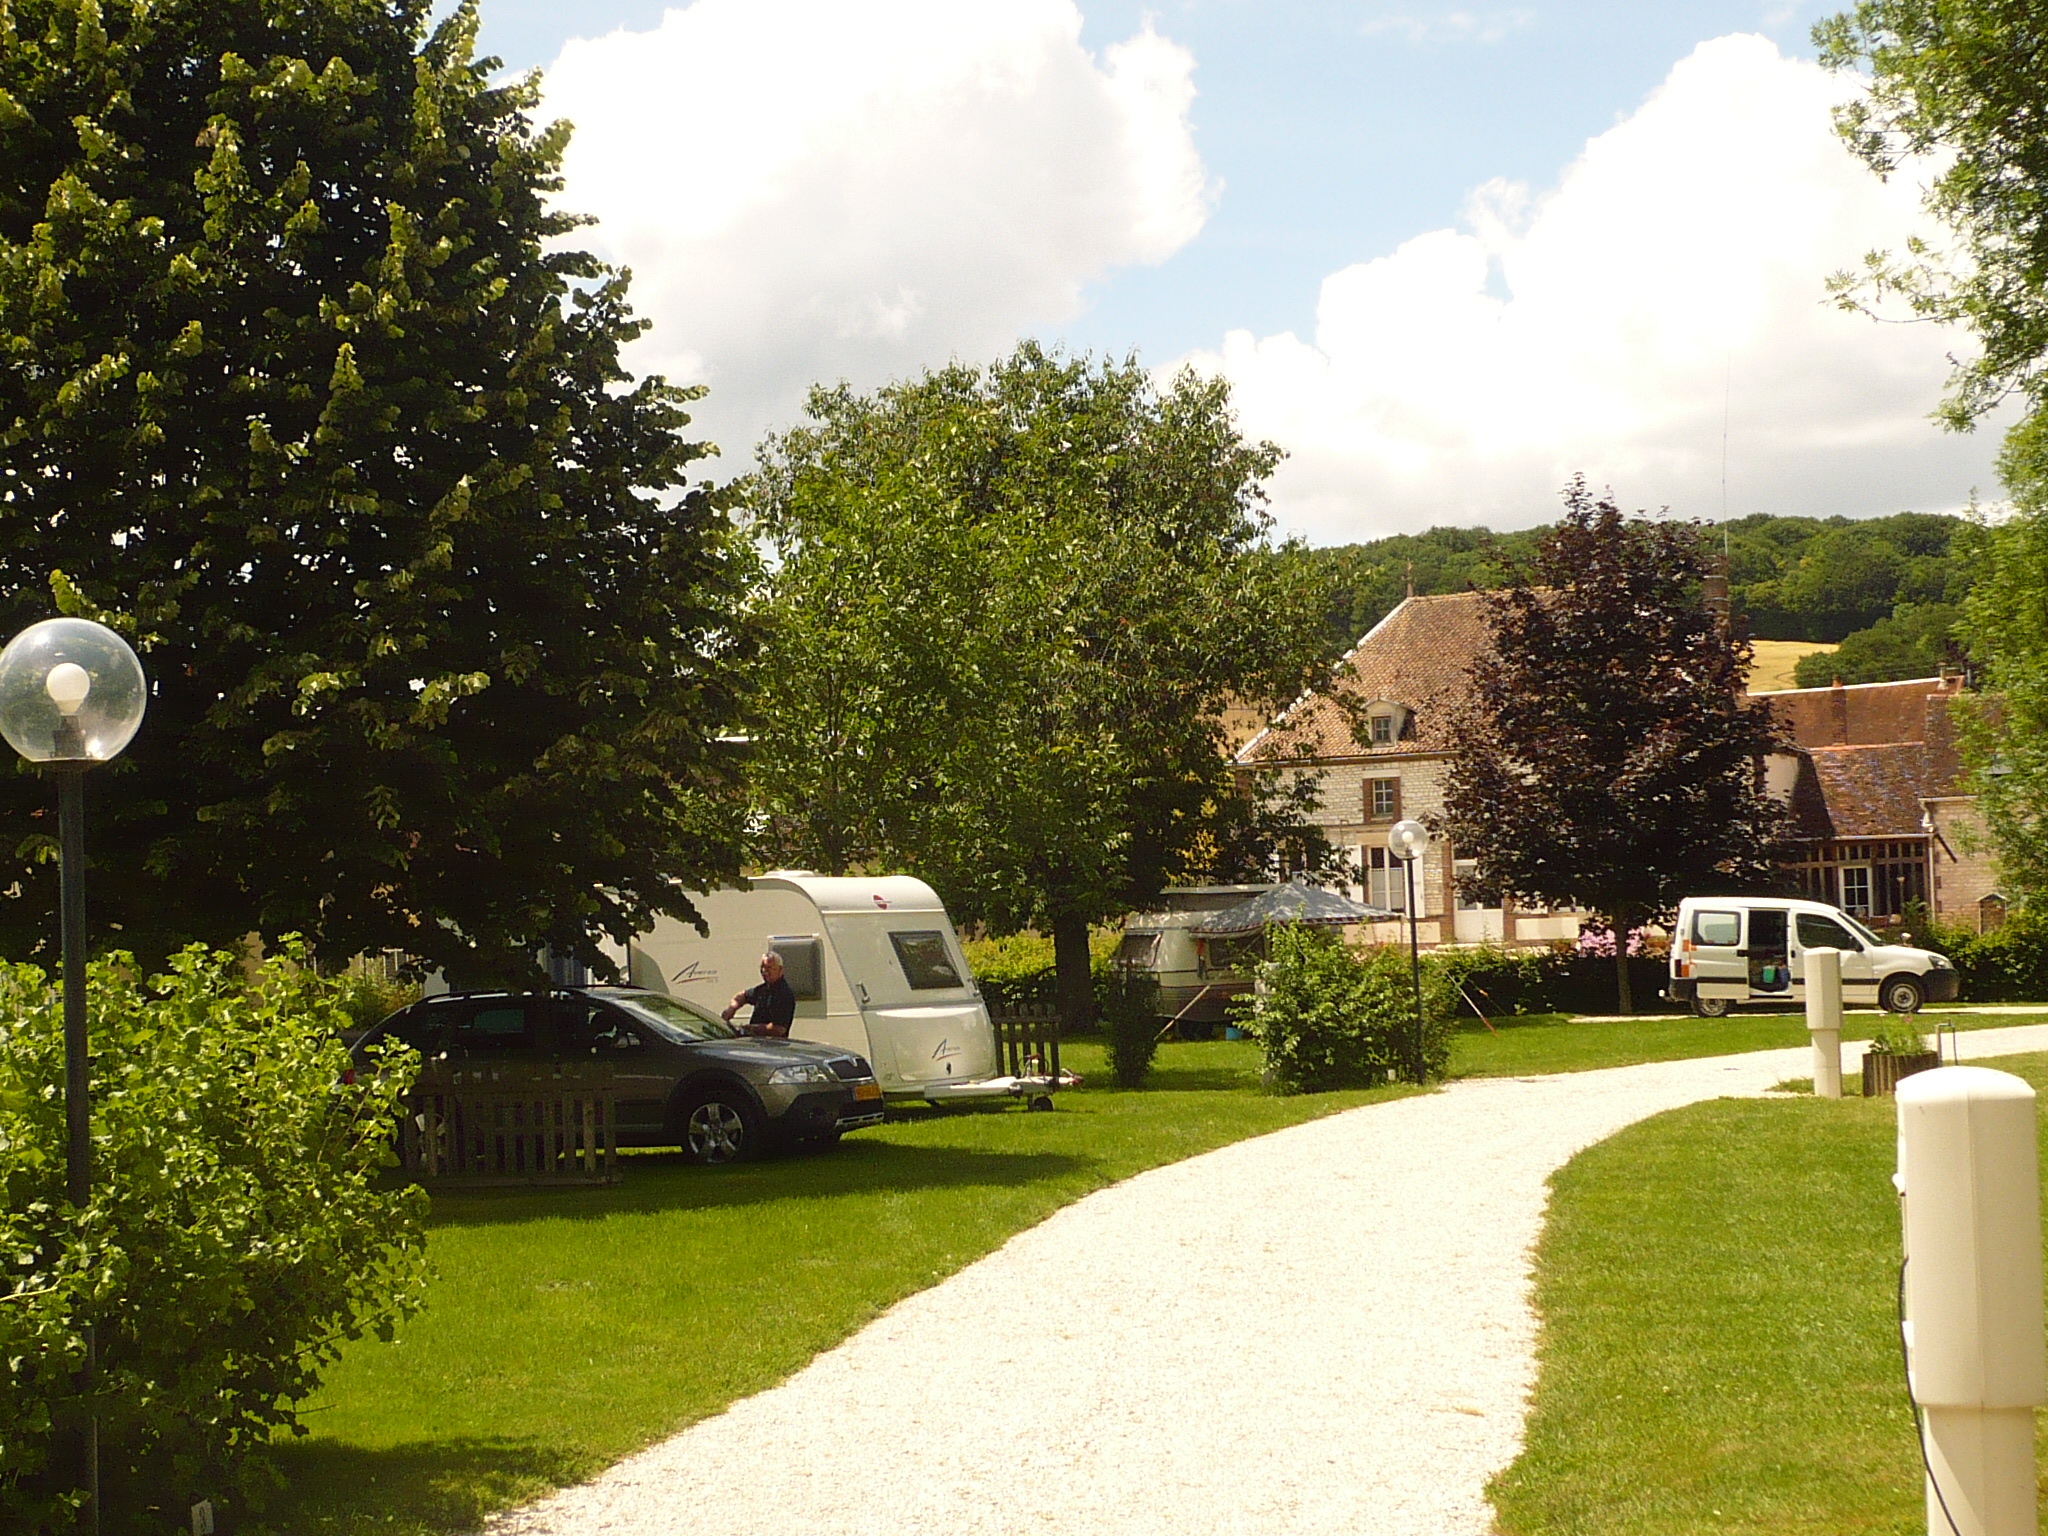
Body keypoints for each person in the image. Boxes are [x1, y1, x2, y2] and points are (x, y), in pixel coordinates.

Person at [723, 950, 796, 1038]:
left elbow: (779, 1029)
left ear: (780, 970)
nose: (764, 971)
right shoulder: (763, 989)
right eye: (762, 967)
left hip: (773, 1046)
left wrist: (750, 1029)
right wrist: (732, 1009)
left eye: (769, 968)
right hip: (757, 1043)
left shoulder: (784, 994)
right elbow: (743, 996)